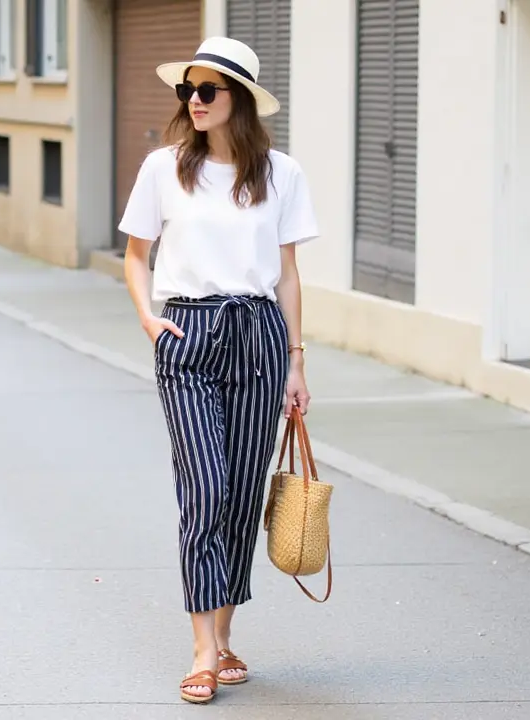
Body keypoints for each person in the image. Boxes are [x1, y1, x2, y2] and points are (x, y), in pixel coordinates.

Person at [117, 36, 319, 705]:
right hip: (190, 333)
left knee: (237, 498)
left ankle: (224, 635)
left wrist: (295, 360)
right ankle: (203, 649)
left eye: (208, 91)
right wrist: (150, 319)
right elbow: (136, 254)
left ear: (240, 102)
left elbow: (288, 275)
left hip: (259, 335)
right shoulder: (163, 168)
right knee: (204, 490)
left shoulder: (281, 174)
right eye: (188, 91)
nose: (194, 102)